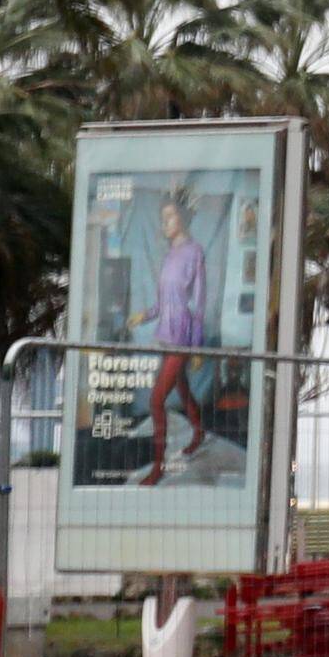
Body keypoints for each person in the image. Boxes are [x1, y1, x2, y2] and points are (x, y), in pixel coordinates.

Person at [138, 191, 215, 483]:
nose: (165, 224)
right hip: (167, 335)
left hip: (182, 337)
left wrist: (195, 347)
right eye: (163, 219)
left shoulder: (194, 253)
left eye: (170, 217)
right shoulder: (169, 255)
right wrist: (144, 316)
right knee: (181, 389)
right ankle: (198, 432)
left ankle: (158, 467)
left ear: (182, 218)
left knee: (157, 400)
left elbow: (198, 302)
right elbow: (162, 302)